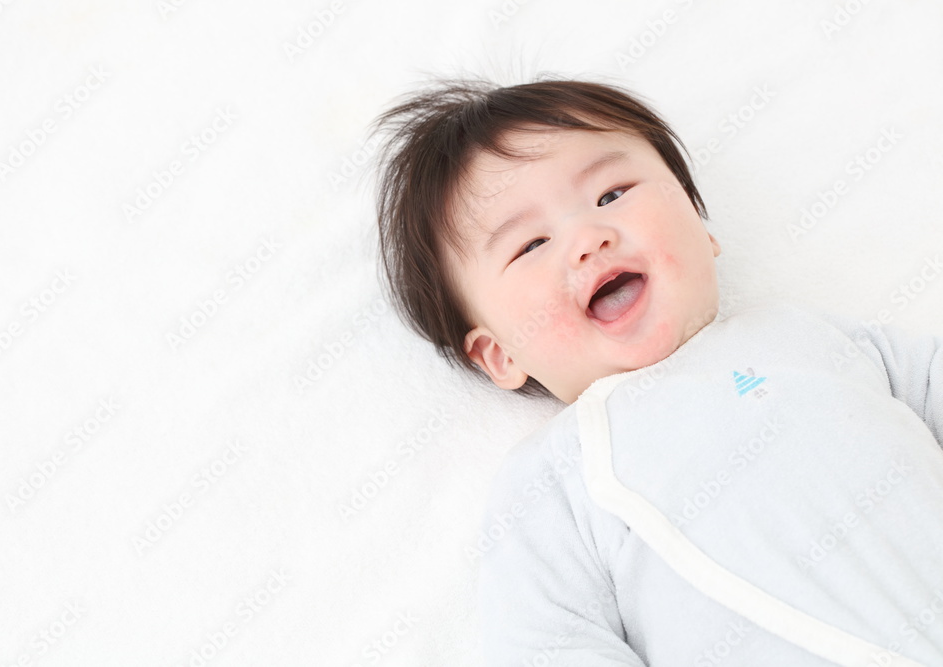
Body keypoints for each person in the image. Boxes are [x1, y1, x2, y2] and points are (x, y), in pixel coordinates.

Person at [369, 76, 943, 665]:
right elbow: (545, 642)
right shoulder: (554, 478)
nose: (589, 238)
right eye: (532, 244)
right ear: (501, 355)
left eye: (612, 195)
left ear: (700, 222)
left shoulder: (806, 335)